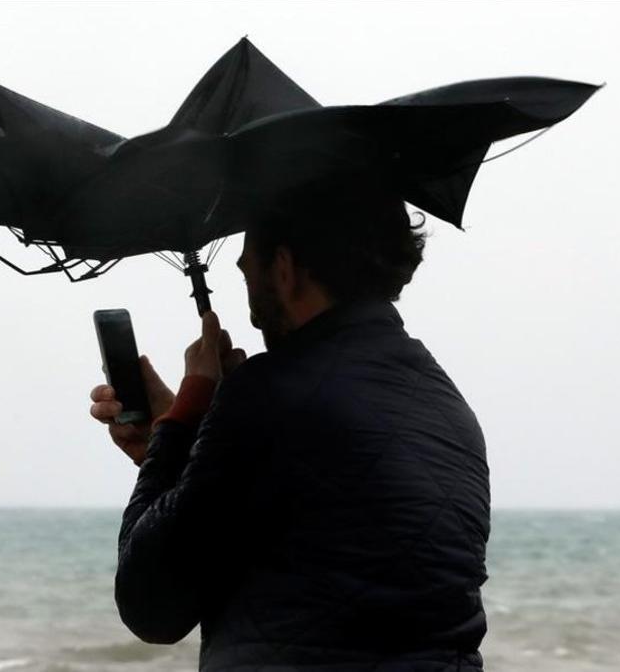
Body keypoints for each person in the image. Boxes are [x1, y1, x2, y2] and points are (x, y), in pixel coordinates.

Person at [89, 187, 491, 671]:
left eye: (247, 272)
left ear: (283, 268)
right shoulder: (448, 407)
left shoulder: (268, 392)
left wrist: (188, 412)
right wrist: (184, 441)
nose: (253, 308)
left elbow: (149, 603)